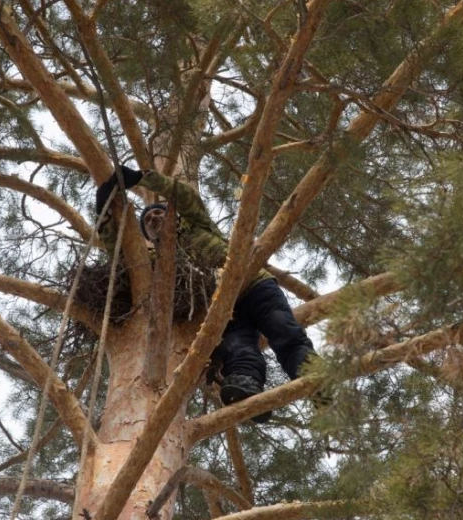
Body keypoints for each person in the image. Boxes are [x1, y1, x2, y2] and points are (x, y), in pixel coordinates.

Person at [96, 166, 319, 422]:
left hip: (252, 283)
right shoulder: (155, 261)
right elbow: (119, 252)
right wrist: (103, 208)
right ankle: (246, 387)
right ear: (147, 235)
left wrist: (142, 178)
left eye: (160, 212)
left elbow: (184, 196)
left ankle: (312, 376)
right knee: (237, 347)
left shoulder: (196, 224)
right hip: (215, 306)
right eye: (148, 220)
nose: (155, 218)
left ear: (175, 217)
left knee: (283, 328)